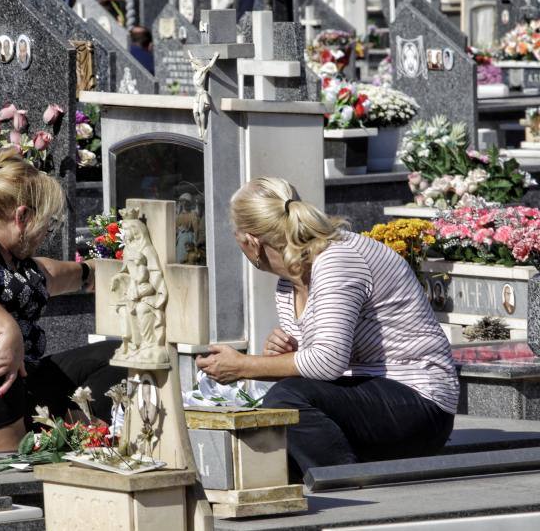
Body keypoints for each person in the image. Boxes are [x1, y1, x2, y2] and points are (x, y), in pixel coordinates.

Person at [196, 177, 458, 479]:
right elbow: (324, 361)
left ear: (252, 242)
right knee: (273, 447)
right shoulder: (288, 284)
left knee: (286, 399)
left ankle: (345, 488)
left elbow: (327, 362)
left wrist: (244, 366)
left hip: (420, 403)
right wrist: (288, 355)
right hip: (371, 398)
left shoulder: (337, 259)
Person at [0, 148, 125, 451]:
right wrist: (7, 329)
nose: (48, 234)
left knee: (121, 354)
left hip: (23, 380)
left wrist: (101, 272)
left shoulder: (13, 257)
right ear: (22, 216)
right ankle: (16, 459)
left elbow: (51, 274)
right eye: (49, 224)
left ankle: (81, 437)